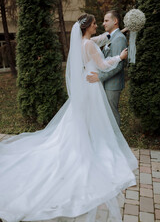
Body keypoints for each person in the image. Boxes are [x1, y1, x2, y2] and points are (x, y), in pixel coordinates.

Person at [0, 14, 138, 222]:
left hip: (85, 84)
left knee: (81, 120)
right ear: (86, 27)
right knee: (92, 120)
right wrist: (119, 58)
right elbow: (102, 65)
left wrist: (122, 32)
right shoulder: (89, 46)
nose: (96, 25)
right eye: (93, 23)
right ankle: (89, 146)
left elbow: (101, 38)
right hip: (92, 86)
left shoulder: (83, 42)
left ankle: (84, 141)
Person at [87, 10, 127, 126]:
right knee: (107, 114)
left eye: (106, 20)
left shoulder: (119, 38)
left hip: (112, 84)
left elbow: (118, 66)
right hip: (107, 82)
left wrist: (100, 77)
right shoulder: (112, 37)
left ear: (115, 21)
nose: (103, 23)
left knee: (112, 114)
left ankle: (116, 142)